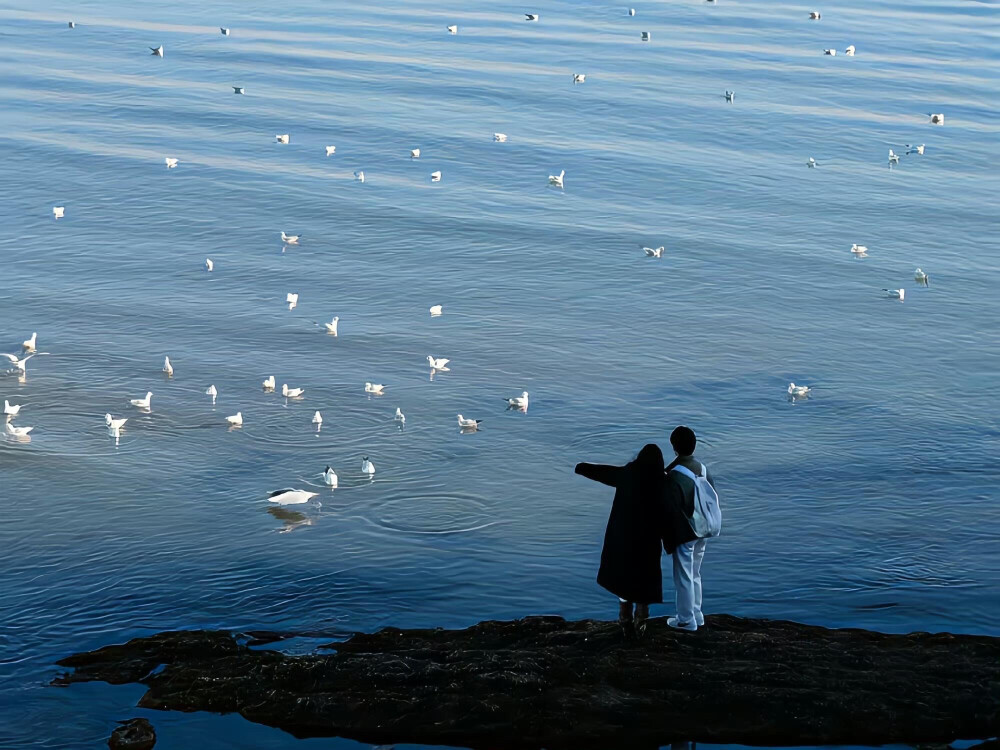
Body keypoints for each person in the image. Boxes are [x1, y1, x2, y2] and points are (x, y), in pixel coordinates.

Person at [575, 444, 667, 635]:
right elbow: (668, 513)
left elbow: (603, 472)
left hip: (623, 538)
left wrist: (581, 467)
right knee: (644, 580)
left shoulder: (627, 474)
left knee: (623, 580)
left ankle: (625, 620)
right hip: (648, 542)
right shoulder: (661, 482)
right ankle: (641, 619)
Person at [663, 426, 717, 632]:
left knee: (683, 574)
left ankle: (686, 620)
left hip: (686, 531)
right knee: (695, 572)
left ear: (674, 447)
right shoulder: (702, 468)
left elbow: (671, 507)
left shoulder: (674, 474)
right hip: (705, 527)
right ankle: (697, 613)